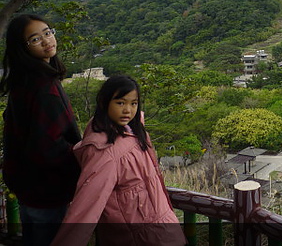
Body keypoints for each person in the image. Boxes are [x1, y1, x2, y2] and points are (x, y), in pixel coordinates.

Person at [51, 75, 186, 246]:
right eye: (120, 103)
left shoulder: (135, 131)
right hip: (139, 235)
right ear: (104, 102)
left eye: (133, 103)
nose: (128, 110)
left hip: (161, 225)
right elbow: (86, 206)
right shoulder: (106, 151)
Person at [1, 14, 82, 246]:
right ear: (22, 48)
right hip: (48, 190)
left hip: (28, 187)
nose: (47, 41)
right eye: (35, 39)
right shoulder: (44, 88)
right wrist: (84, 156)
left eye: (48, 32)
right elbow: (47, 148)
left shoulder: (23, 81)